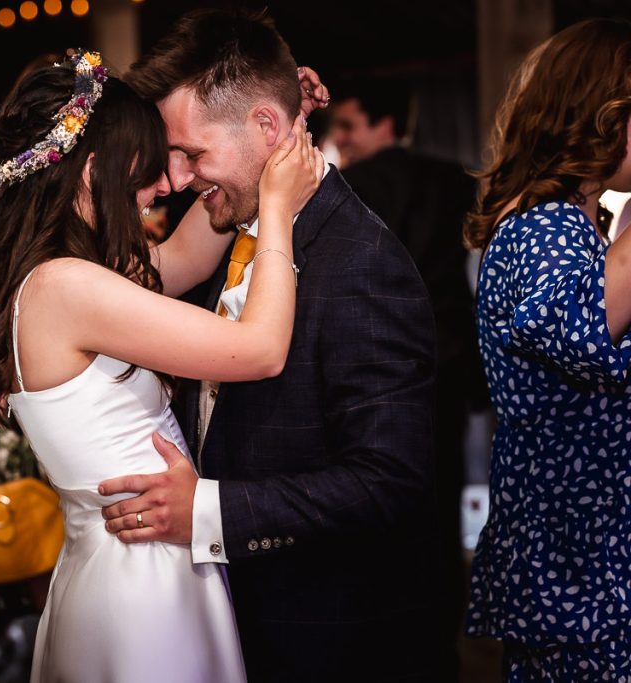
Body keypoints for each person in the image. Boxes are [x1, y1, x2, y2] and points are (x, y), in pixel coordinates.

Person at [0, 50, 324, 683]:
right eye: (151, 165)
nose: (169, 183)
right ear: (97, 172)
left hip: (130, 558)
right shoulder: (65, 288)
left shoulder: (65, 279)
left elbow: (189, 258)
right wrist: (278, 212)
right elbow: (259, 350)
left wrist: (271, 140)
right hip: (138, 578)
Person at [101, 9, 440, 681]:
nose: (180, 176)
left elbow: (389, 479)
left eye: (193, 154)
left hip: (319, 636)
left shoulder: (363, 262)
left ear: (264, 128)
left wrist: (209, 509)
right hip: (225, 619)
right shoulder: (234, 223)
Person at [463, 18, 631, 681]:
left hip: (586, 552)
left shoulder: (582, 225)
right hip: (580, 562)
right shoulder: (547, 227)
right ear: (602, 115)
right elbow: (587, 329)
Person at [331, 76, 482, 681]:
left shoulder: (349, 188)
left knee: (382, 508)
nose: (338, 140)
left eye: (347, 126)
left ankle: (390, 638)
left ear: (384, 124)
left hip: (377, 374)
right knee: (443, 506)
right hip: (444, 364)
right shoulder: (451, 182)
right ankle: (441, 641)